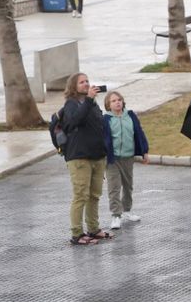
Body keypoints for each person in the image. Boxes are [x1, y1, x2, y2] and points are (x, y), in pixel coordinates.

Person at [60, 72, 112, 245]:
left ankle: (93, 229)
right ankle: (76, 234)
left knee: (94, 195)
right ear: (73, 86)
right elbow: (74, 121)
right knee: (80, 195)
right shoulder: (71, 104)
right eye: (81, 82)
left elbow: (99, 126)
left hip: (97, 156)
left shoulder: (92, 104)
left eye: (87, 81)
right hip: (79, 157)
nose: (86, 84)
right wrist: (89, 100)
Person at [103, 90, 149, 231]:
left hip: (128, 157)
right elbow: (102, 140)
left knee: (128, 186)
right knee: (114, 187)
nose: (117, 102)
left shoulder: (131, 116)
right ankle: (116, 215)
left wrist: (144, 151)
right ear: (108, 105)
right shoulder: (105, 119)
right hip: (112, 159)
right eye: (113, 101)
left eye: (119, 100)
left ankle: (127, 211)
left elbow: (139, 133)